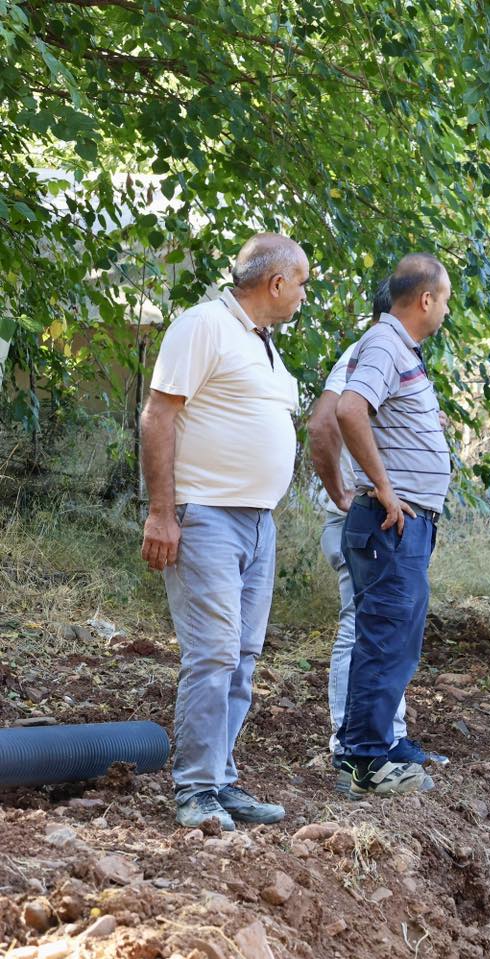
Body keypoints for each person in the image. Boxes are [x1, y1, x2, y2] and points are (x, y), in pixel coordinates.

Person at [140, 232, 307, 830]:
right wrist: (163, 513)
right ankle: (195, 791)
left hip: (258, 521)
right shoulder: (203, 325)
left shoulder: (262, 342)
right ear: (276, 282)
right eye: (303, 282)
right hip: (206, 514)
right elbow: (158, 414)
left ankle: (221, 778)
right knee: (212, 654)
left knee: (241, 655)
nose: (304, 294)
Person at [308, 281, 444, 774]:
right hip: (367, 513)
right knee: (367, 630)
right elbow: (326, 423)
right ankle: (354, 747)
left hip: (386, 513)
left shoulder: (394, 353)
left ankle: (385, 738)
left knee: (388, 631)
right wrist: (346, 494)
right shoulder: (372, 350)